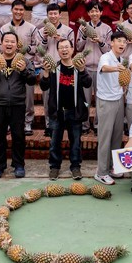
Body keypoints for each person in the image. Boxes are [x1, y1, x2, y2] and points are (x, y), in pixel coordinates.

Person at [0, 31, 36, 178]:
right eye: (7, 41)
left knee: (18, 136)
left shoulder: (23, 60)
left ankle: (18, 165)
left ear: (17, 45)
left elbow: (32, 80)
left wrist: (24, 70)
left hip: (18, 104)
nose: (9, 44)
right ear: (1, 43)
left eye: (12, 41)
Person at [40, 38, 92, 181]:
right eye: (61, 48)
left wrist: (82, 70)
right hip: (57, 112)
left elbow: (88, 84)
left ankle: (75, 167)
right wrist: (45, 72)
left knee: (75, 142)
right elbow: (44, 87)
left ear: (72, 49)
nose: (64, 50)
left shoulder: (78, 67)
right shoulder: (53, 68)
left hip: (74, 111)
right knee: (54, 142)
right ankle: (54, 167)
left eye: (66, 47)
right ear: (57, 51)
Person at [0, 0, 38, 136]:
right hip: (7, 65)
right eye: (16, 9)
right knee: (9, 92)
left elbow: (37, 47)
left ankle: (27, 121)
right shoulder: (4, 28)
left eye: (21, 10)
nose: (18, 12)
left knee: (28, 95)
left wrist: (26, 48)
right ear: (12, 10)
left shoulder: (31, 28)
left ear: (24, 11)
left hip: (25, 64)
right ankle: (8, 122)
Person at [94, 30, 128, 185]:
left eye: (124, 42)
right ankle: (101, 172)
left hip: (119, 100)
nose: (122, 44)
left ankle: (113, 167)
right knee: (105, 137)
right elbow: (105, 68)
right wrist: (117, 68)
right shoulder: (105, 57)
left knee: (116, 136)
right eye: (119, 41)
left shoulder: (122, 59)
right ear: (112, 43)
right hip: (106, 101)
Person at [35, 3, 74, 137]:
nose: (53, 16)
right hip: (47, 67)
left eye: (55, 13)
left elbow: (71, 49)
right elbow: (39, 52)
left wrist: (61, 39)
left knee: (64, 97)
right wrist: (45, 38)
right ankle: (49, 125)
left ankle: (64, 124)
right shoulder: (40, 31)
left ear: (60, 15)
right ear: (47, 15)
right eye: (50, 14)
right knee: (47, 99)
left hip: (63, 69)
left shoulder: (68, 30)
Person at [76, 0, 113, 134]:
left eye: (97, 10)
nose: (94, 13)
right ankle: (85, 125)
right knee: (85, 100)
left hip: (101, 69)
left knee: (100, 99)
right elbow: (78, 47)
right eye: (91, 11)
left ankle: (97, 125)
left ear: (101, 12)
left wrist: (100, 41)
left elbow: (109, 51)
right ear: (88, 13)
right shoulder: (82, 27)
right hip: (85, 68)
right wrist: (85, 37)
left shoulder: (107, 29)